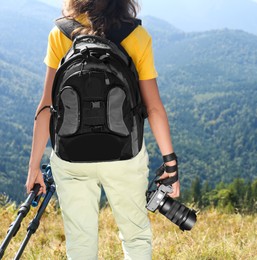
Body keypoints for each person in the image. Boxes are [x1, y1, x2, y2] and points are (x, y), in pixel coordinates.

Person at [25, 0, 180, 259]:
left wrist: (34, 168)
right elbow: (154, 109)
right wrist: (170, 164)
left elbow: (46, 107)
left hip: (71, 156)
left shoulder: (60, 34)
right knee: (135, 237)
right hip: (124, 155)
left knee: (80, 243)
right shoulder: (136, 36)